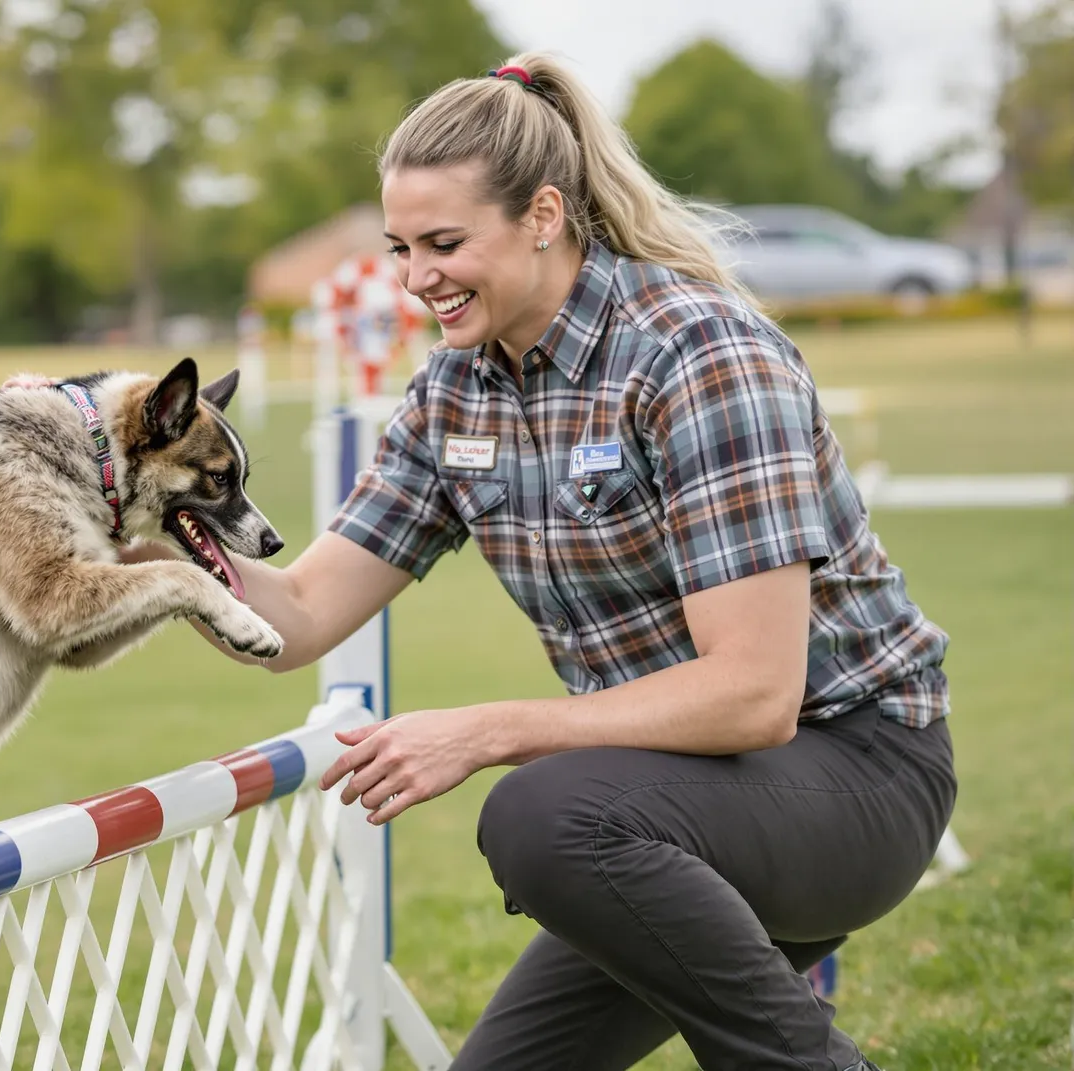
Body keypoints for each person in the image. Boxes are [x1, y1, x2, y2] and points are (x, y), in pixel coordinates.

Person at [116, 53, 954, 1070]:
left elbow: (755, 697)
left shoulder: (696, 353)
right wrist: (143, 530)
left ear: (545, 216)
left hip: (852, 775)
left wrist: (487, 731)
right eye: (400, 247)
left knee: (540, 813)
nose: (417, 277)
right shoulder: (451, 396)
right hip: (661, 807)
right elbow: (295, 617)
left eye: (444, 243)